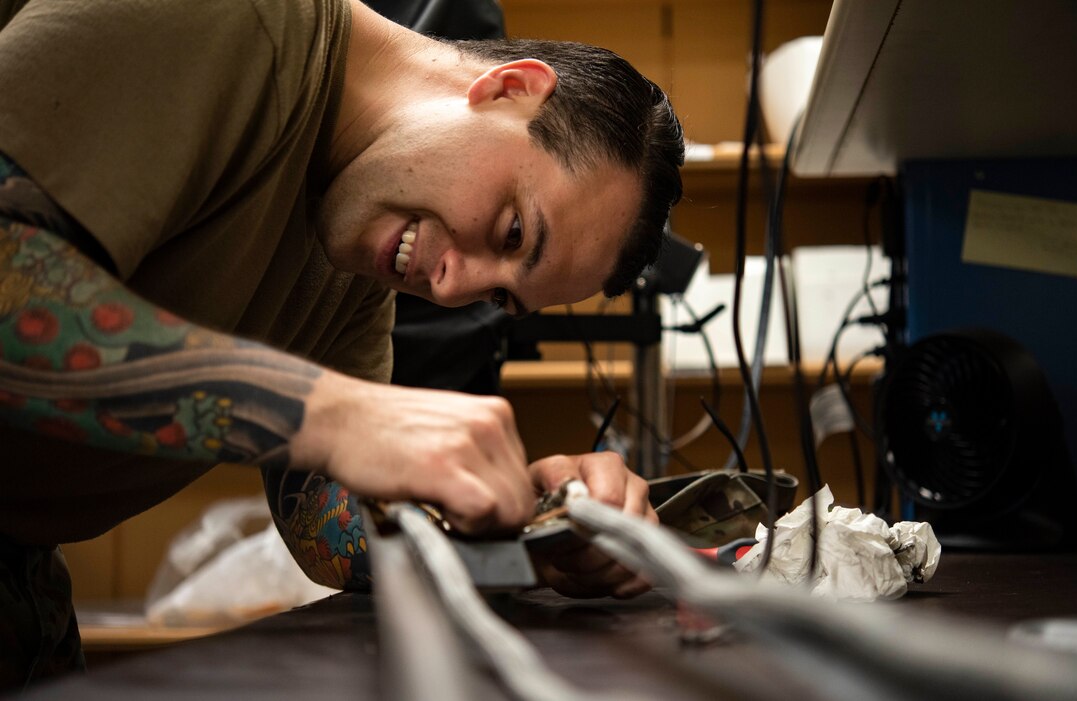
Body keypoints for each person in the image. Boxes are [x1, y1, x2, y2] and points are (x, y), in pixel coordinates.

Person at [0, 0, 684, 687]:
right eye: (512, 232)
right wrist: (329, 413)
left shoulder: (354, 245)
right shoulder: (226, 19)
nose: (451, 288)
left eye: (499, 298)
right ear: (510, 89)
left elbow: (320, 520)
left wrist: (524, 531)